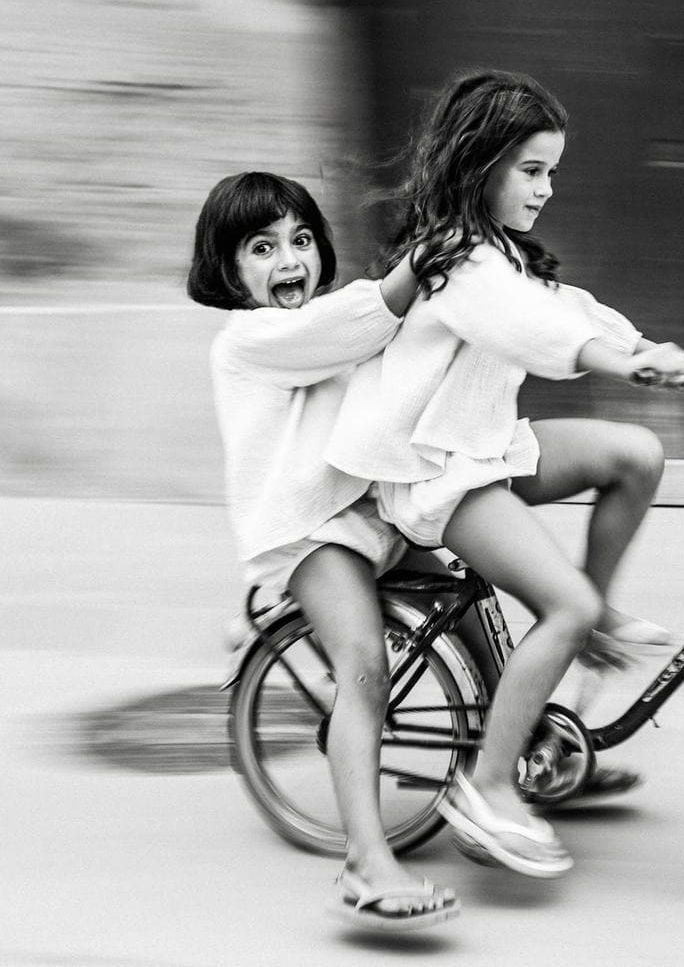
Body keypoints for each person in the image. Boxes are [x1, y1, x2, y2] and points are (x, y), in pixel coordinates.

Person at [326, 69, 684, 879]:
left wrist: (652, 353)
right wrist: (621, 364)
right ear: (482, 163)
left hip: (486, 447)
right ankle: (491, 788)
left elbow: (568, 309)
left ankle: (583, 623)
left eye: (552, 172)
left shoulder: (505, 254)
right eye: (531, 170)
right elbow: (532, 328)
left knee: (636, 455)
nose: (546, 188)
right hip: (436, 474)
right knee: (560, 604)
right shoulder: (459, 261)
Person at [187, 171, 458, 931]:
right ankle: (366, 864)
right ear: (227, 269)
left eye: (301, 240)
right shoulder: (248, 339)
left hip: (369, 515)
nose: (289, 260)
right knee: (364, 665)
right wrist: (421, 263)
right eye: (262, 247)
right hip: (306, 530)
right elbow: (359, 322)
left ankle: (519, 761)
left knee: (475, 607)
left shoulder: (322, 325)